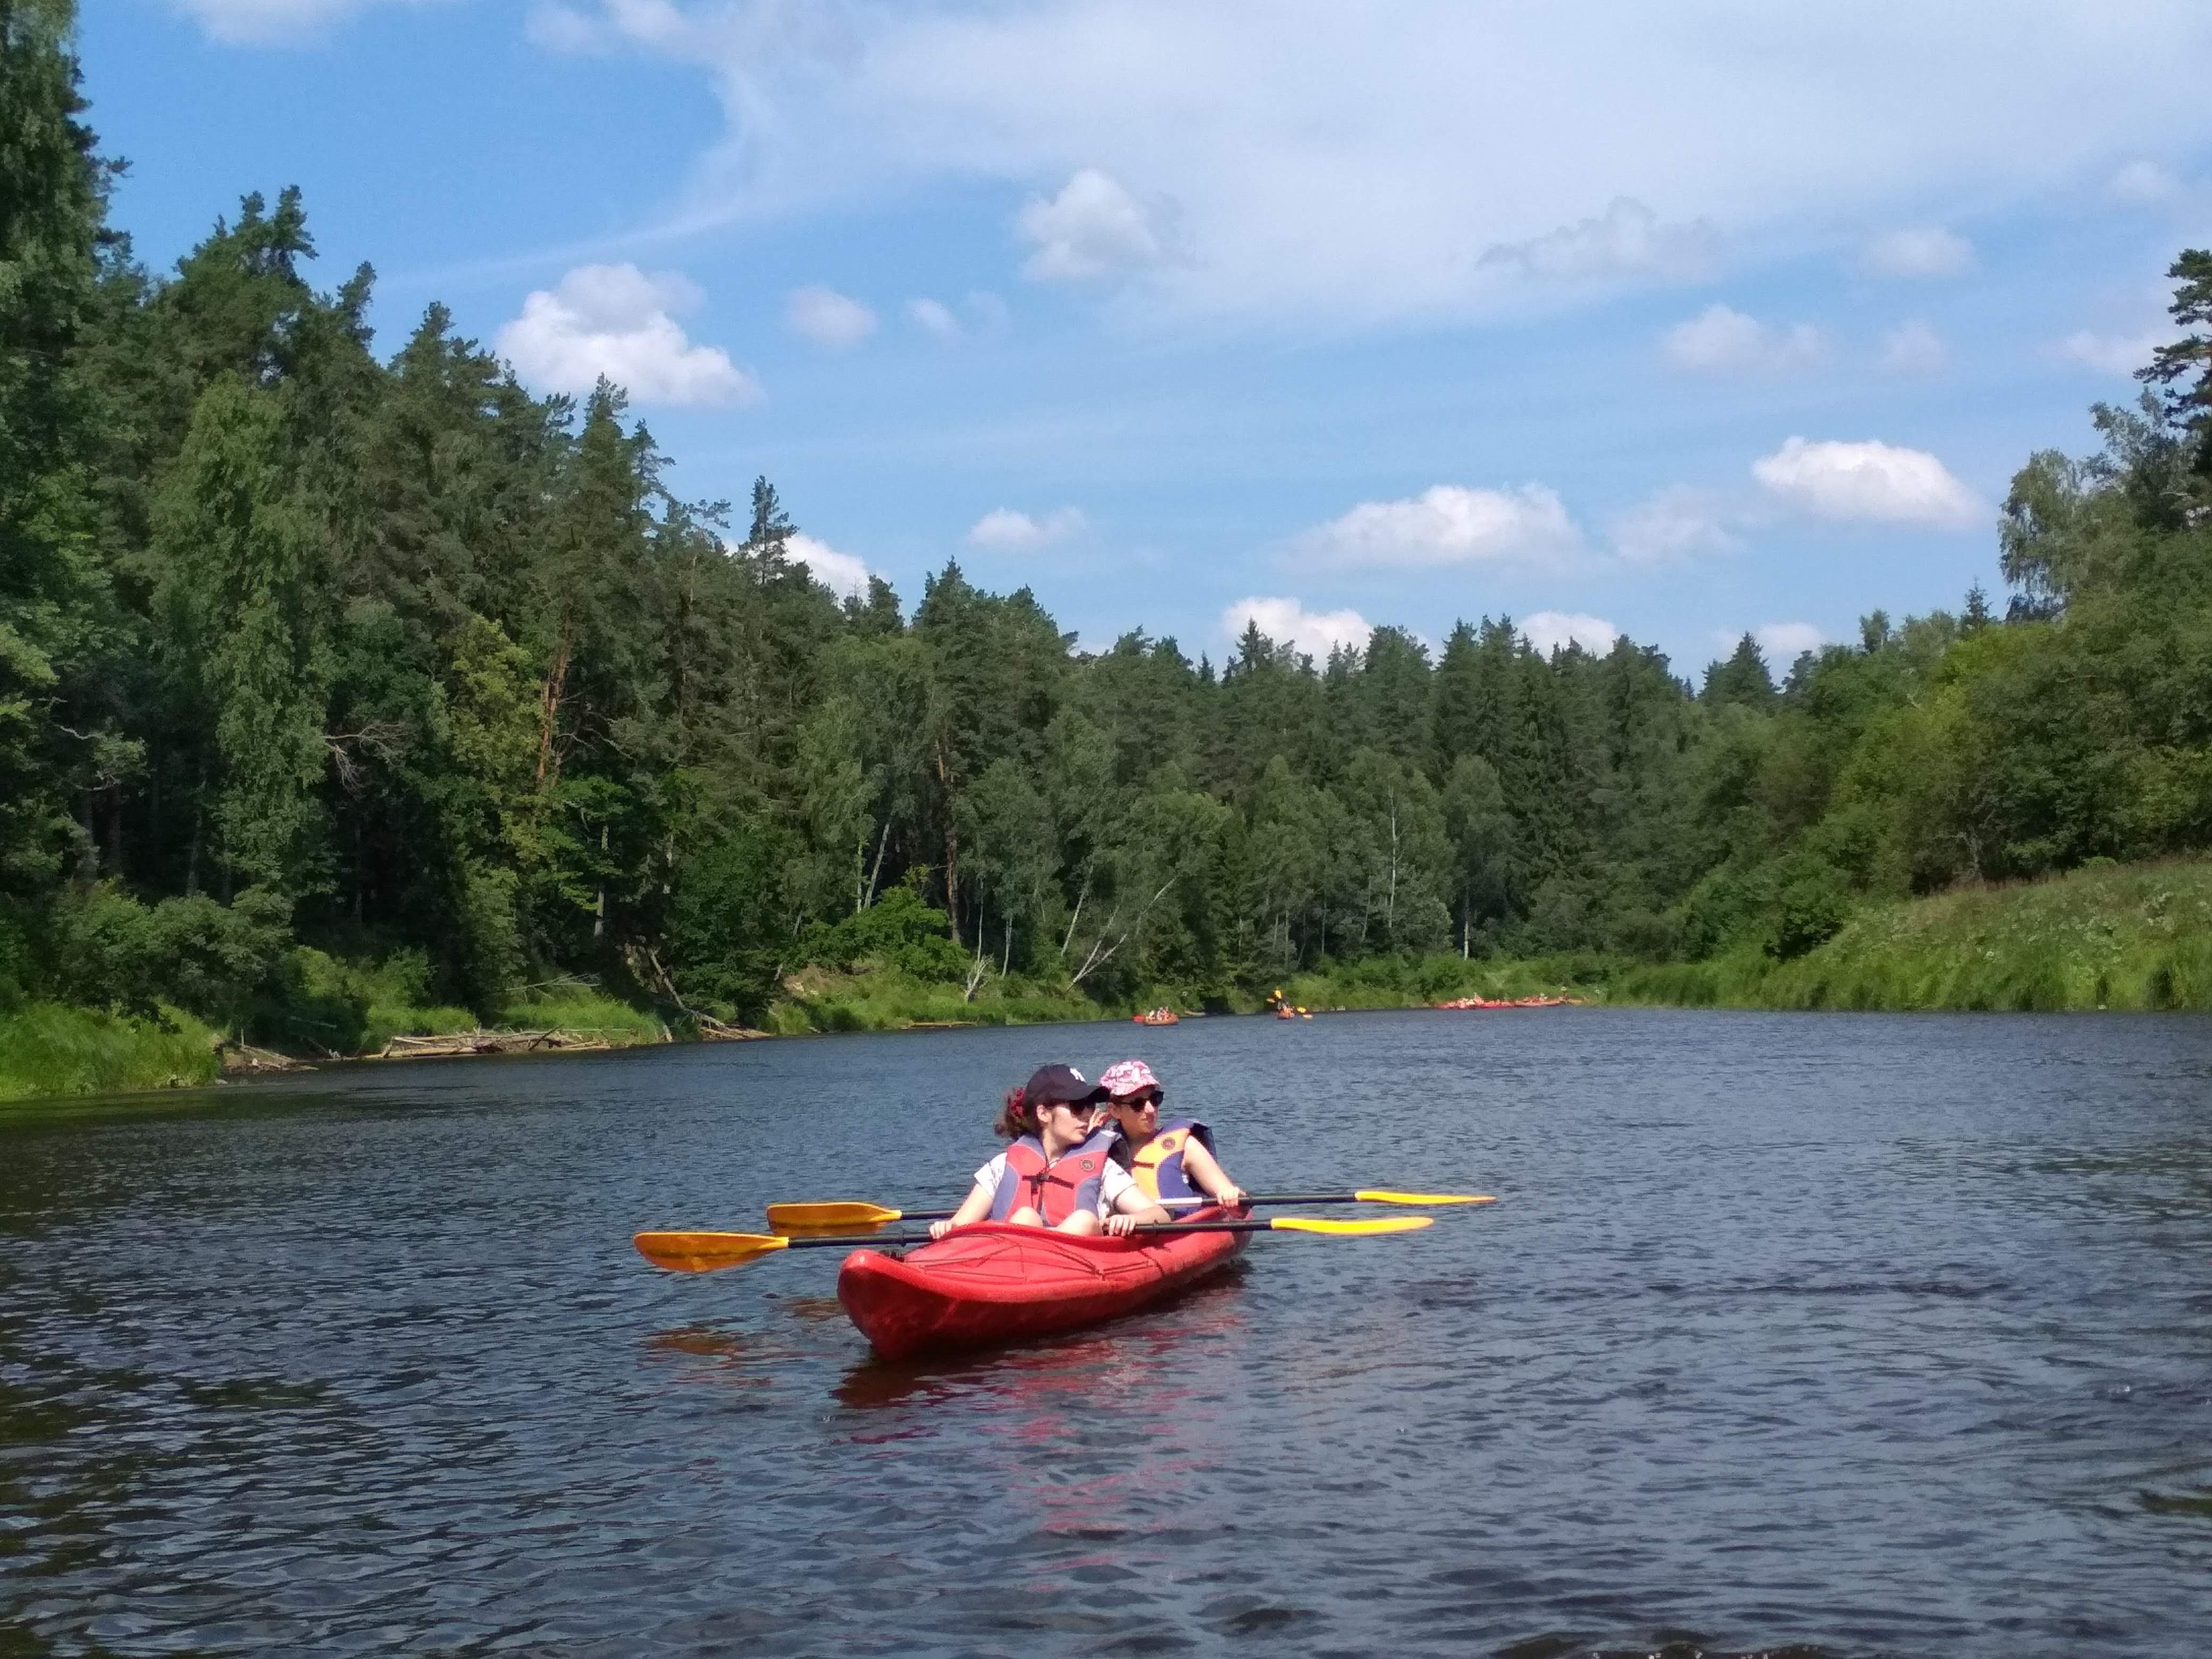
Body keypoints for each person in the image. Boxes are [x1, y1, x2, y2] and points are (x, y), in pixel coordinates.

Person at [929, 1065, 1171, 1240]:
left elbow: (1159, 1215)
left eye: (1089, 1106)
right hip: (1010, 1259)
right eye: (1077, 1107)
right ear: (1044, 1114)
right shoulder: (1002, 1166)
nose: (1087, 1114)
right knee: (1025, 1216)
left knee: (1084, 1220)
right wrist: (945, 1227)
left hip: (1079, 1262)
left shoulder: (1103, 1168)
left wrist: (1131, 1220)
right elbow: (960, 1225)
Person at [1094, 1059, 1246, 1216]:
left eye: (1155, 1099)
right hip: (1123, 1232)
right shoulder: (1100, 1149)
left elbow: (1232, 1200)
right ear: (1114, 1110)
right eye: (1138, 1104)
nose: (1151, 1110)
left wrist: (1232, 1197)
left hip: (1180, 1232)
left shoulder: (1187, 1146)